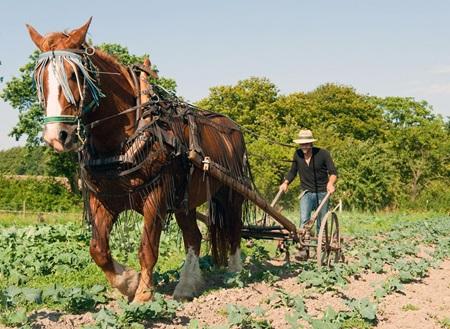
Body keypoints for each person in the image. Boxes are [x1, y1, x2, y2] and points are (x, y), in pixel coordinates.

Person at [279, 129, 337, 232]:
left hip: (323, 192)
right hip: (306, 192)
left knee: (321, 223)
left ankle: (321, 243)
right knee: (304, 221)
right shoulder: (298, 154)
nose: (304, 146)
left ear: (311, 143)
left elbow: (333, 173)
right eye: (302, 144)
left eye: (306, 144)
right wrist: (285, 183)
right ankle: (303, 244)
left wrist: (330, 183)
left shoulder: (323, 154)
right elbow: (293, 171)